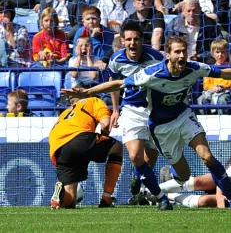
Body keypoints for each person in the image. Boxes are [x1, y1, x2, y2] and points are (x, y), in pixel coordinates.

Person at [63, 36, 231, 213]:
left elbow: (226, 72)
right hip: (161, 128)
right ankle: (158, 187)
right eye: (177, 52)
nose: (182, 56)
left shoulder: (194, 68)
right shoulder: (152, 74)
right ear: (168, 54)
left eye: (184, 52)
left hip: (184, 117)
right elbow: (118, 83)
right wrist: (87, 92)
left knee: (207, 156)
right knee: (184, 176)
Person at [63, 21, 172, 210]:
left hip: (154, 111)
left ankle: (139, 176)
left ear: (142, 40)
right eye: (128, 39)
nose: (132, 43)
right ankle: (162, 199)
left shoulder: (156, 58)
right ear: (122, 41)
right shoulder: (116, 59)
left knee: (149, 159)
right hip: (131, 109)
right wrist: (115, 110)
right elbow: (113, 83)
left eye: (136, 39)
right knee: (135, 156)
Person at [49, 96, 123, 209]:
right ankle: (106, 198)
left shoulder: (66, 112)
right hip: (79, 137)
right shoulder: (95, 100)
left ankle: (61, 196)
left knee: (70, 203)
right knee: (117, 148)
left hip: (57, 147)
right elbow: (106, 124)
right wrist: (102, 137)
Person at [197, 39, 231, 115]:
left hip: (227, 92)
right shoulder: (209, 68)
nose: (220, 55)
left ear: (227, 52)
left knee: (222, 100)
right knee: (201, 99)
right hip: (212, 91)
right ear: (212, 54)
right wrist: (212, 87)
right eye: (217, 52)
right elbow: (206, 85)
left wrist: (222, 86)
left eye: (223, 52)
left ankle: (222, 120)